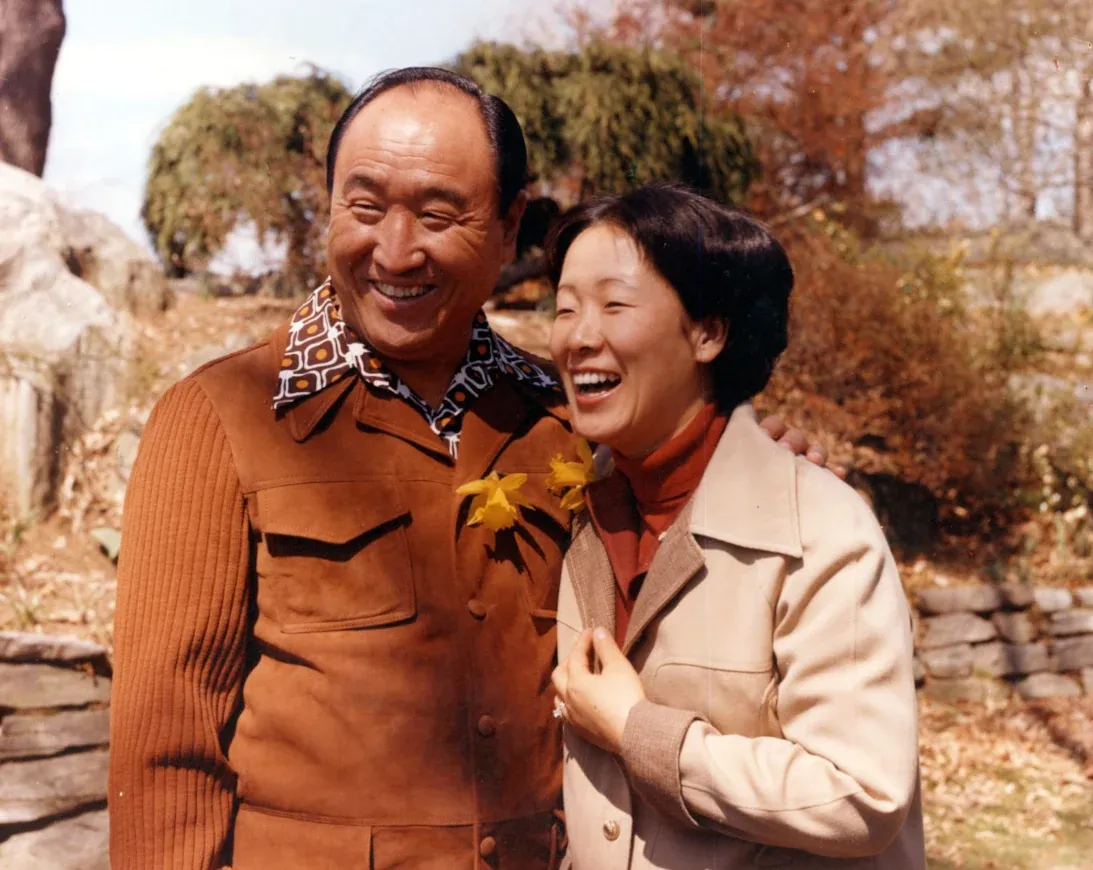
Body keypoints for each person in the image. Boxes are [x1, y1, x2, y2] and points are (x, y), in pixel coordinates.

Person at [109, 68, 827, 870]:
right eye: (365, 207)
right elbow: (167, 746)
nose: (394, 251)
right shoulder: (223, 417)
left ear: (510, 225)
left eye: (438, 215)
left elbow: (681, 606)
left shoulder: (571, 419)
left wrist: (753, 481)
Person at [547, 185, 925, 870]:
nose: (578, 337)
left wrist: (637, 731)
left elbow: (863, 794)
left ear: (708, 333)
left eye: (614, 305)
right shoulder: (575, 509)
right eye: (565, 308)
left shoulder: (822, 531)